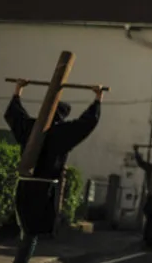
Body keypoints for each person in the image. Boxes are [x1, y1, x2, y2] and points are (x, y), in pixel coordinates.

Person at [5, 78, 103, 263]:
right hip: (45, 189)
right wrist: (98, 99)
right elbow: (86, 123)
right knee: (31, 232)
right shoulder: (62, 133)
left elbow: (14, 115)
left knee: (25, 229)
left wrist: (18, 90)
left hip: (24, 185)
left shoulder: (30, 127)